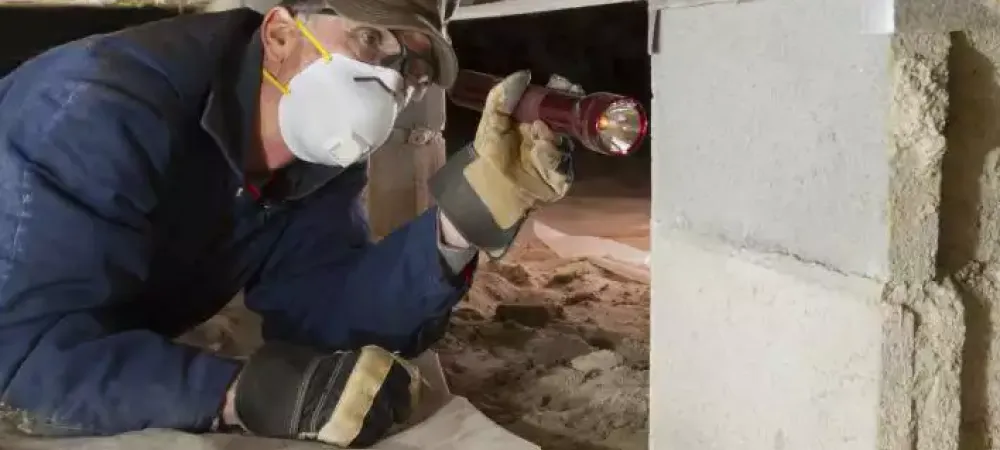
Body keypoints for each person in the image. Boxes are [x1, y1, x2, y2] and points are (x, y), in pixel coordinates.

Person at [0, 0, 571, 447]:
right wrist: (237, 392)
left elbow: (326, 315)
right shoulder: (95, 111)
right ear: (279, 34)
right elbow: (24, 357)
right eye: (370, 38)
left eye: (412, 67)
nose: (390, 82)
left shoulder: (317, 157)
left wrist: (461, 222)